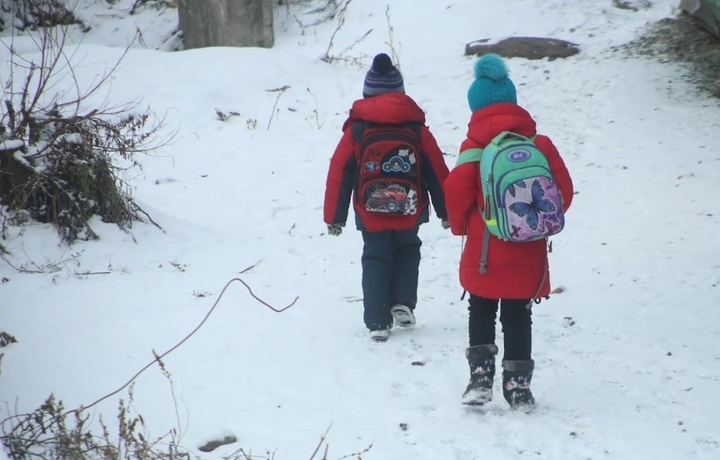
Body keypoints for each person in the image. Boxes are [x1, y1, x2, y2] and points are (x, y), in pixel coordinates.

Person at [443, 54, 574, 410]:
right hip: (527, 245)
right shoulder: (538, 144)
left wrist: (461, 227)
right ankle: (518, 388)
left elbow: (455, 192)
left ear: (475, 106)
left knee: (481, 308)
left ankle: (480, 380)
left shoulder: (473, 148)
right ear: (514, 101)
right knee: (518, 314)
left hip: (484, 248)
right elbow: (563, 192)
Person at [323, 53, 450, 343]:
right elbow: (437, 172)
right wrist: (447, 211)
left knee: (376, 257)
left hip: (370, 211)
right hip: (409, 207)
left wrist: (334, 217)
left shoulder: (357, 130)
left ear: (366, 94)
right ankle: (402, 303)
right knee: (407, 250)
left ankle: (378, 321)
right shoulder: (416, 130)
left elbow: (338, 174)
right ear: (401, 94)